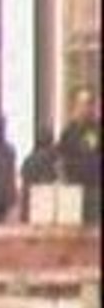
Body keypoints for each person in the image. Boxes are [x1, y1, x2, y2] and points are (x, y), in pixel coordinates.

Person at [57, 89, 101, 224]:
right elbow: (60, 157)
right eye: (81, 104)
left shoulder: (97, 130)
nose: (85, 108)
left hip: (94, 188)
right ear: (75, 106)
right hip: (73, 188)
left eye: (88, 104)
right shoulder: (68, 132)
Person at [19, 127, 59, 222]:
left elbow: (24, 182)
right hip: (48, 203)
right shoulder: (54, 159)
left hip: (32, 205)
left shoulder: (28, 159)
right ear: (51, 141)